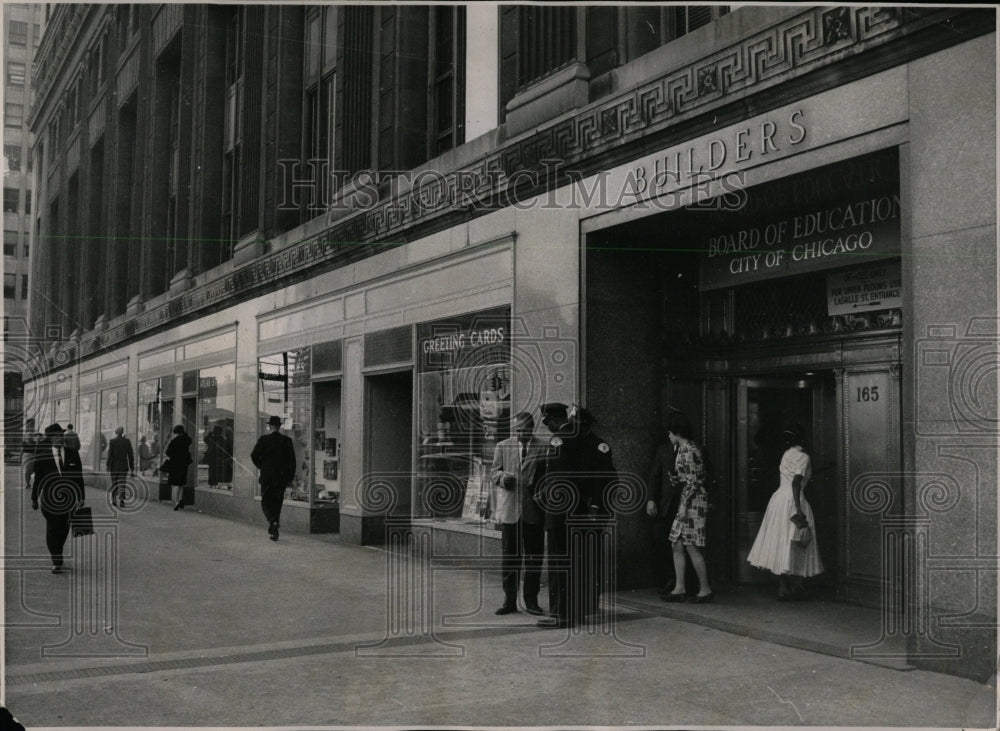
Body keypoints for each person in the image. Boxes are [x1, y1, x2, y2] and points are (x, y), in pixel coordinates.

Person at [534, 403, 616, 629]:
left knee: (560, 564)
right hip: (576, 511)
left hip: (562, 512)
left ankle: (562, 614)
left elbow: (562, 478)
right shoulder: (576, 440)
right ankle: (576, 612)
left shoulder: (562, 439)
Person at [746, 424, 824, 600]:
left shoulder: (787, 454)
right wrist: (799, 509)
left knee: (783, 541)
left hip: (779, 499)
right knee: (796, 541)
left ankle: (784, 587)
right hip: (793, 500)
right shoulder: (803, 457)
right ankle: (796, 584)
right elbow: (796, 482)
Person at [489, 411, 547, 616]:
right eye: (517, 430)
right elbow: (493, 472)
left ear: (531, 428)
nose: (520, 434)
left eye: (524, 430)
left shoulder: (543, 447)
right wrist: (503, 478)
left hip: (534, 511)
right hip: (510, 511)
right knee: (510, 558)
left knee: (534, 558)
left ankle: (531, 601)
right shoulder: (503, 446)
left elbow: (547, 476)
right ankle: (509, 601)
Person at [662, 411, 713, 603]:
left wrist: (683, 505)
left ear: (676, 432)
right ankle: (680, 586)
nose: (669, 436)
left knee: (690, 544)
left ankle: (704, 589)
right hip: (691, 499)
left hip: (693, 501)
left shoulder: (688, 450)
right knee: (677, 542)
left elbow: (692, 482)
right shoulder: (687, 448)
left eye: (670, 433)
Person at [30, 424, 85, 574]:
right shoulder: (43, 455)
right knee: (52, 528)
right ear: (50, 438)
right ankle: (56, 559)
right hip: (49, 499)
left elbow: (79, 477)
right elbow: (39, 478)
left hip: (68, 499)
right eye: (56, 436)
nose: (60, 438)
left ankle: (58, 552)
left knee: (64, 528)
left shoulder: (72, 454)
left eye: (61, 435)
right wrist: (34, 498)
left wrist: (81, 497)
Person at [251, 415, 297, 541]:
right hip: (281, 478)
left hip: (267, 477)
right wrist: (289, 478)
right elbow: (292, 461)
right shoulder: (287, 441)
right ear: (280, 426)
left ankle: (272, 521)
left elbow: (254, 455)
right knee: (278, 502)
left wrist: (262, 467)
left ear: (269, 426)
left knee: (266, 501)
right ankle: (274, 523)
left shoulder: (263, 439)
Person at [164, 424, 193, 510]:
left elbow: (168, 452)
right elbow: (189, 439)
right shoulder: (187, 440)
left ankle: (175, 502)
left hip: (175, 464)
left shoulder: (174, 441)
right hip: (184, 464)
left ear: (176, 432)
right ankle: (180, 500)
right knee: (181, 483)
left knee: (175, 484)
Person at [106, 427, 136, 508]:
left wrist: (107, 465)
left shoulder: (112, 441)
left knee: (114, 483)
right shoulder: (127, 442)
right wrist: (132, 467)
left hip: (114, 466)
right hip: (123, 466)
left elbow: (109, 454)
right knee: (122, 483)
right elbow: (130, 455)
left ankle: (113, 499)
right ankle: (122, 500)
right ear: (122, 432)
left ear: (116, 432)